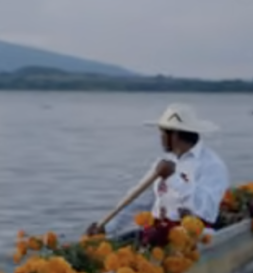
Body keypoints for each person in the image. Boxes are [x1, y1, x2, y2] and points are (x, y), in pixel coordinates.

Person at [92, 103, 230, 245]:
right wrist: (106, 227)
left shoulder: (211, 165)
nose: (161, 138)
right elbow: (138, 201)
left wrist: (172, 178)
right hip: (157, 232)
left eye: (163, 133)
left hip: (193, 238)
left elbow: (205, 209)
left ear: (175, 134)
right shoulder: (165, 162)